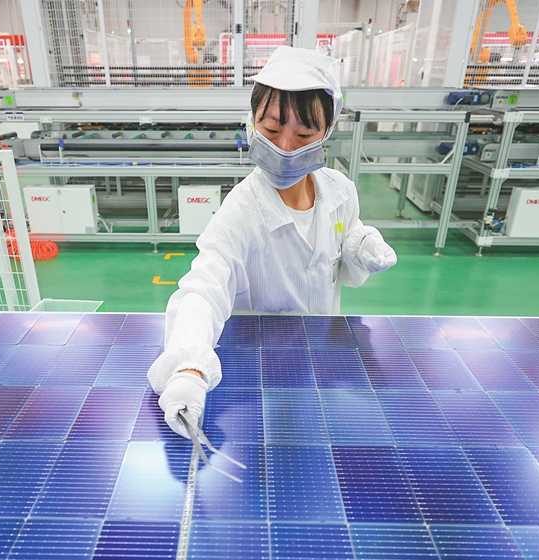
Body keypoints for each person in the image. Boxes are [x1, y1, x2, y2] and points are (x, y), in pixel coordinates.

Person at [147, 46, 398, 437]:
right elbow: (204, 286)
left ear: (327, 132)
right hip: (256, 373)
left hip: (317, 365)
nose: (284, 146)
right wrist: (189, 368)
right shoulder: (242, 210)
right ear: (251, 124)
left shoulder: (341, 192)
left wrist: (357, 245)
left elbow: (340, 241)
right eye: (271, 129)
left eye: (303, 134)